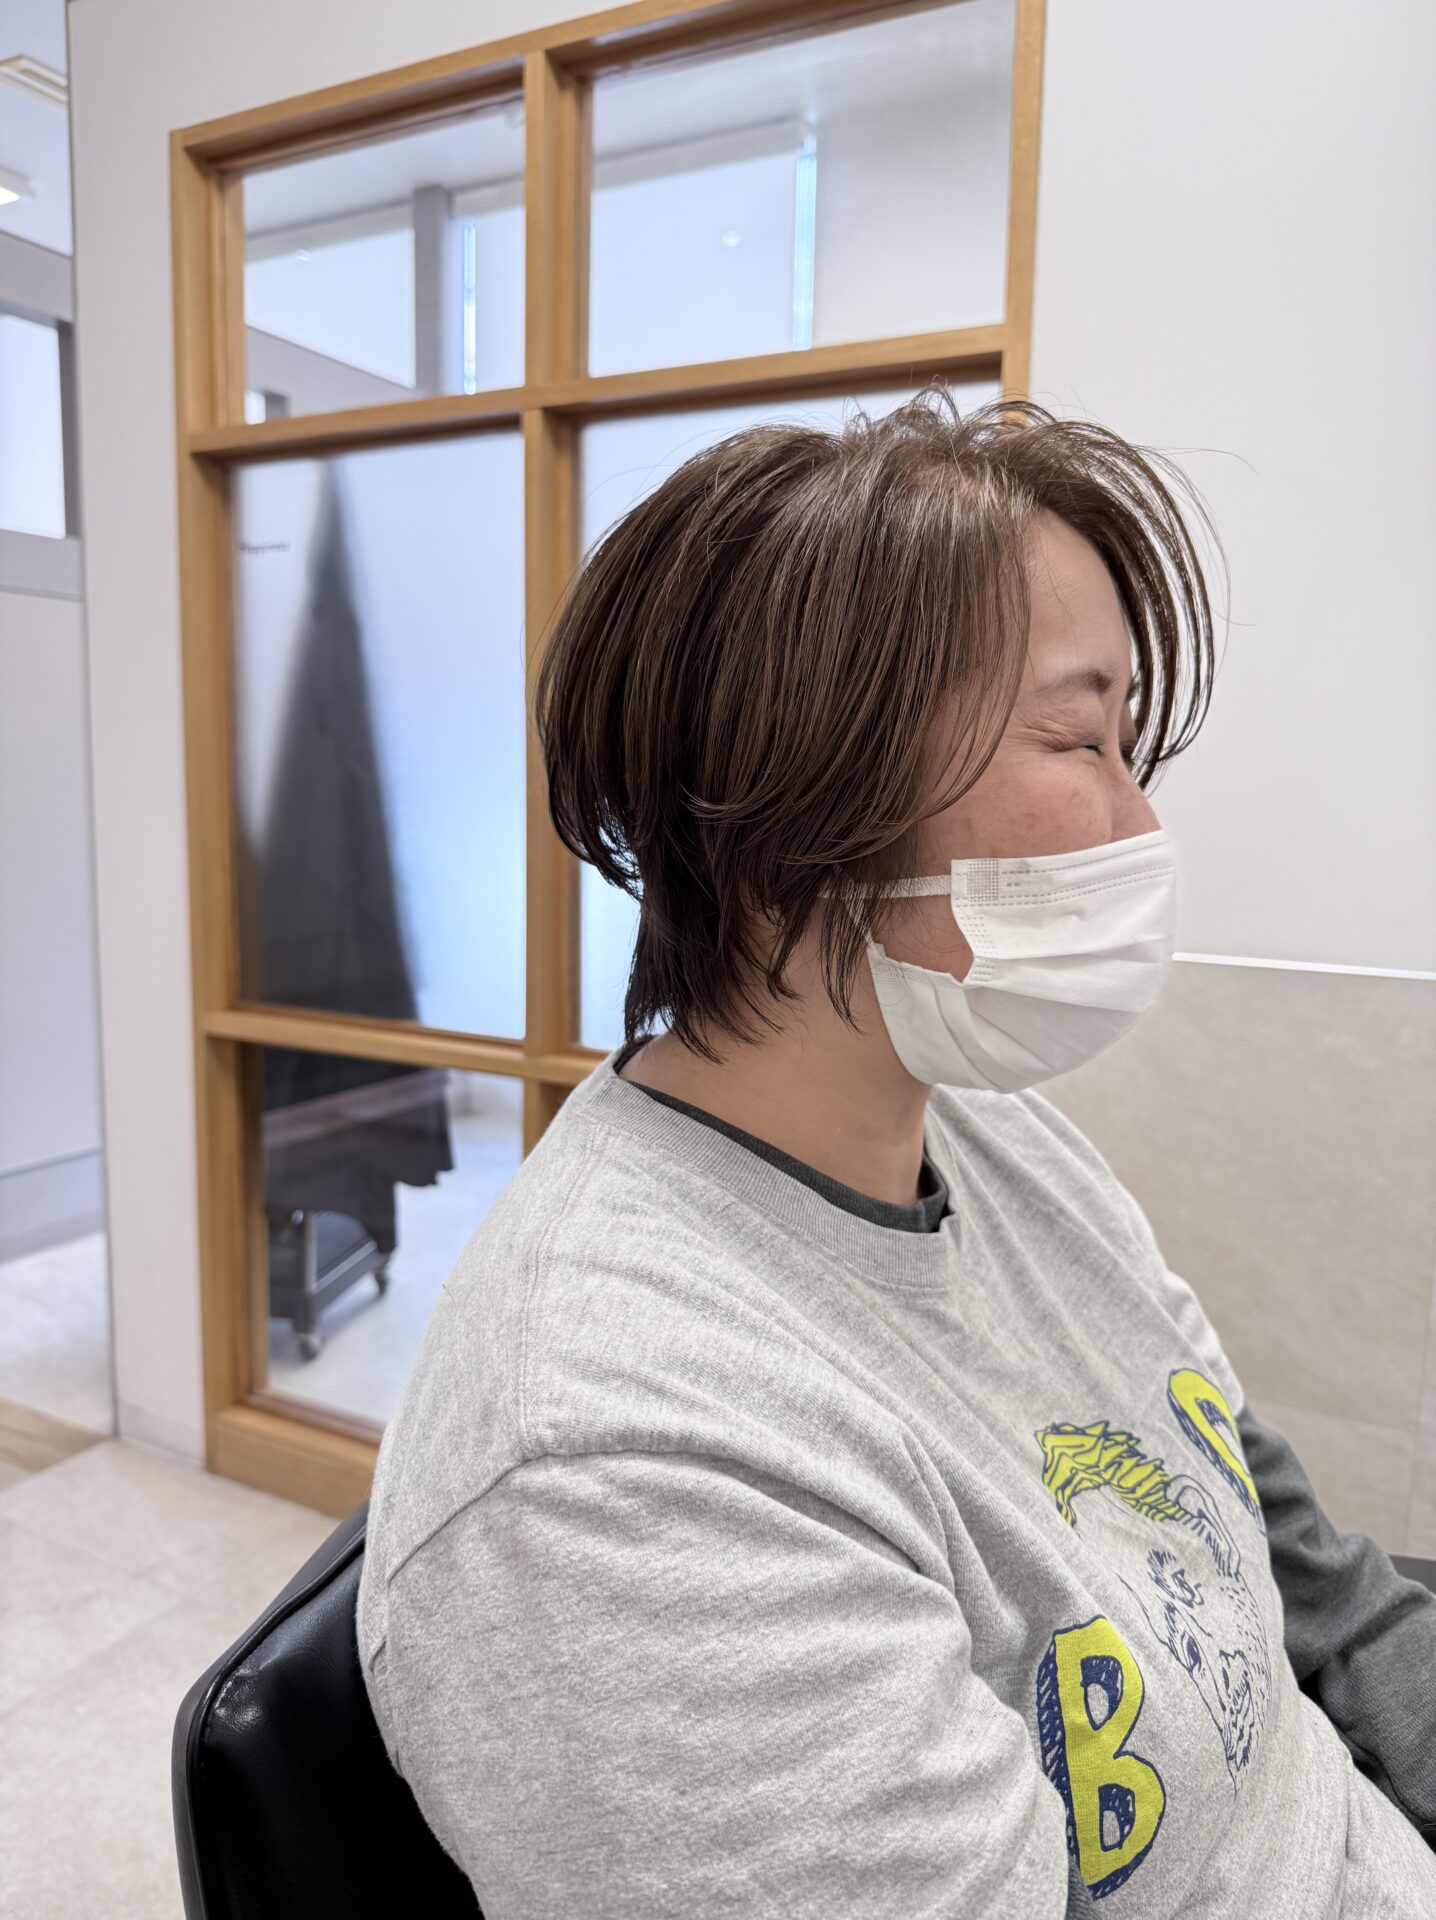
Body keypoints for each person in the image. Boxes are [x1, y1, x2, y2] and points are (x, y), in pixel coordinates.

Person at [355, 389, 1436, 1917]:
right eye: (1080, 736)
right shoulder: (622, 1463)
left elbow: (1273, 1532)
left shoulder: (997, 1138)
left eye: (1130, 746)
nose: (1141, 825)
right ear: (801, 790)